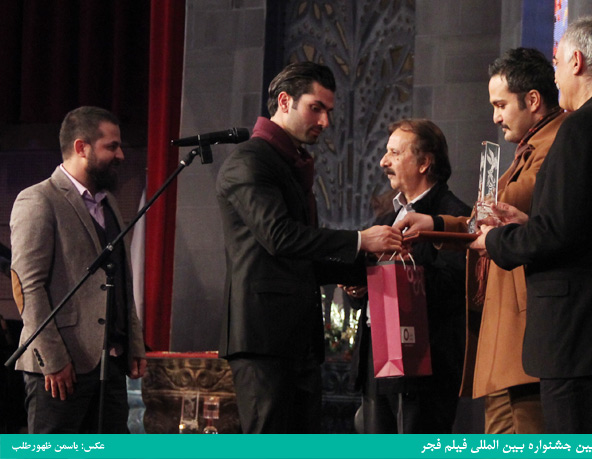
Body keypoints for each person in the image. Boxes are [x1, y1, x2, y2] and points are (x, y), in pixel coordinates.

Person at [470, 16, 592, 433]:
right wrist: (532, 221)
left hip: (577, 338)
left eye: (557, 63)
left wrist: (497, 240)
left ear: (576, 61)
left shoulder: (581, 128)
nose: (556, 76)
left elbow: (557, 234)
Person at [215, 61, 403, 434]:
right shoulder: (249, 160)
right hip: (263, 338)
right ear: (285, 101)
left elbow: (305, 257)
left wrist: (371, 266)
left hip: (297, 337)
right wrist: (360, 240)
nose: (325, 121)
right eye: (315, 108)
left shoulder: (291, 163)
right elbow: (280, 237)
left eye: (328, 111)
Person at [396, 48, 567, 433]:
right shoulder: (530, 147)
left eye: (500, 105)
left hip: (526, 333)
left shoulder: (558, 143)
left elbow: (506, 207)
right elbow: (485, 217)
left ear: (533, 100)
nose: (495, 117)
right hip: (504, 335)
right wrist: (436, 222)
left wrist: (455, 219)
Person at [9, 106, 147, 433]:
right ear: (81, 147)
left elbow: (122, 281)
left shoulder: (109, 203)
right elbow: (27, 288)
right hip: (61, 371)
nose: (121, 155)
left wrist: (134, 343)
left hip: (111, 367)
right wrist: (53, 360)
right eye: (111, 146)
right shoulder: (38, 200)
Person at [347, 119, 471, 433]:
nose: (382, 162)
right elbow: (372, 289)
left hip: (424, 367)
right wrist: (358, 287)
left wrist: (398, 274)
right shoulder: (388, 216)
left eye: (394, 153)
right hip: (377, 359)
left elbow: (454, 287)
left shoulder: (454, 215)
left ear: (424, 162)